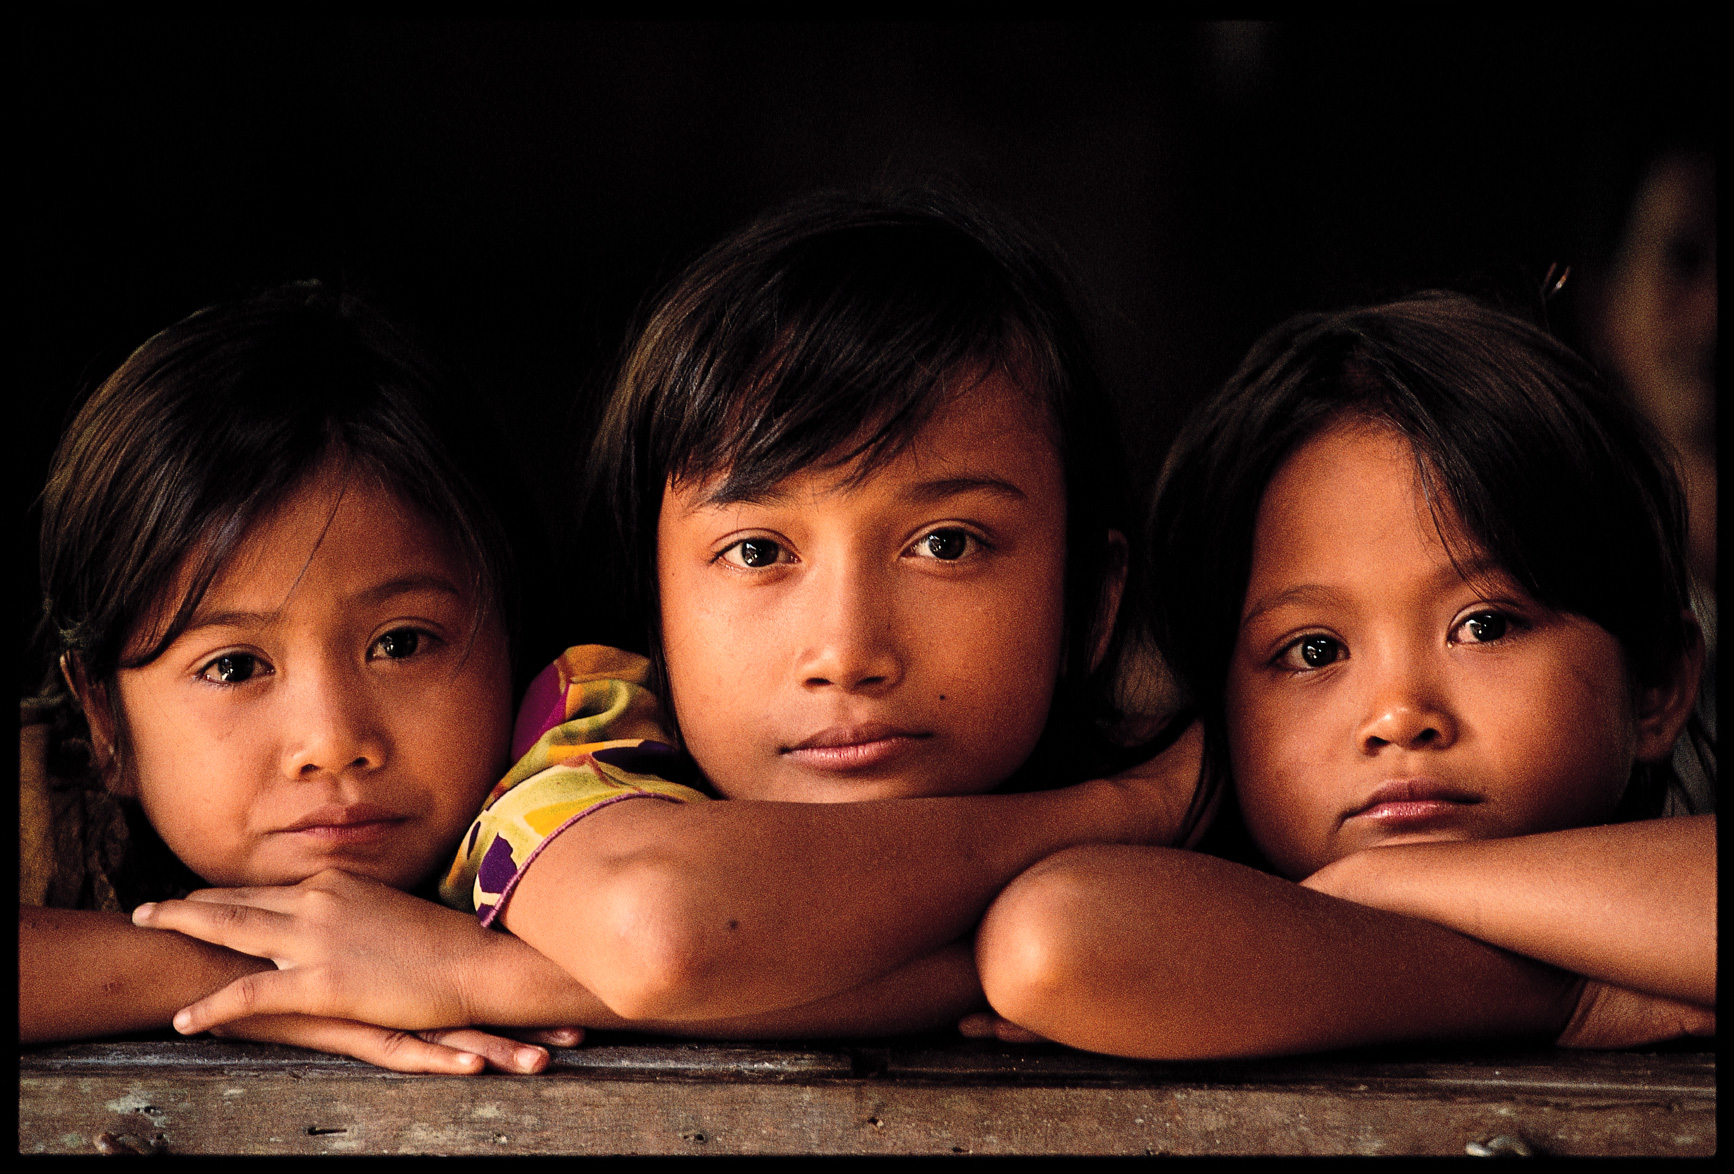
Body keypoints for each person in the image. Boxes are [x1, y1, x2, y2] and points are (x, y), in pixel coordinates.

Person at [135, 188, 1206, 1040]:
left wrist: (477, 976)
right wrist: (1119, 813)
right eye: (755, 551)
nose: (846, 651)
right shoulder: (589, 738)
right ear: (655, 601)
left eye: (947, 544)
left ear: (1094, 603)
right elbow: (668, 935)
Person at [968, 293, 1716, 1058]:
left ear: (1655, 684)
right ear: (1222, 707)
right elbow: (1054, 941)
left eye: (1485, 625)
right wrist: (1557, 993)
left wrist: (1374, 884)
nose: (1398, 715)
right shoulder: (1209, 913)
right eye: (1314, 651)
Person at [21, 283, 584, 1073]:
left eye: (401, 644)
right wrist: (248, 970)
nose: (331, 743)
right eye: (233, 666)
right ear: (106, 722)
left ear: (512, 642)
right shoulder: (39, 804)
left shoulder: (603, 787)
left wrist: (478, 972)